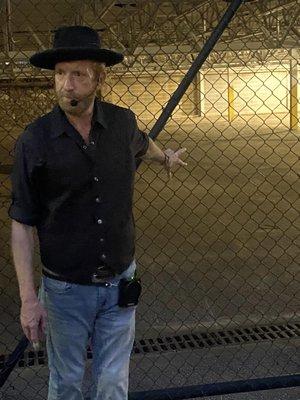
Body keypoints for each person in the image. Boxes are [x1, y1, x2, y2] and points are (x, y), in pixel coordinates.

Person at [9, 25, 187, 400]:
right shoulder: (35, 140)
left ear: (99, 77)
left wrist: (165, 157)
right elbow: (22, 224)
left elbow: (143, 143)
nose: (66, 85)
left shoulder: (121, 123)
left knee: (113, 383)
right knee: (67, 382)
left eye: (78, 74)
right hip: (66, 290)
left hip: (120, 283)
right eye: (60, 74)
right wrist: (28, 300)